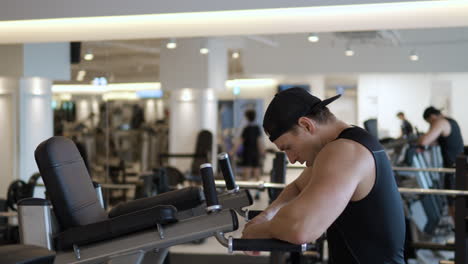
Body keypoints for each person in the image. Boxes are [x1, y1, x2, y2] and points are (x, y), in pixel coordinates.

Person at [242, 87, 405, 264]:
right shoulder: (349, 141)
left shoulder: (344, 151)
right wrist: (267, 215)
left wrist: (256, 232)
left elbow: (301, 228)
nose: (292, 159)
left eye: (288, 147)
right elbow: (298, 187)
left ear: (306, 125)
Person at [418, 106, 464, 218]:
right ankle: (460, 232)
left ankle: (460, 233)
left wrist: (420, 138)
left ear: (432, 117)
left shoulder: (440, 122)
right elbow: (438, 141)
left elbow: (424, 141)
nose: (430, 125)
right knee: (456, 204)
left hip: (453, 169)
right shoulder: (450, 121)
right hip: (458, 165)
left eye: (429, 122)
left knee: (454, 206)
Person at [231, 109, 264, 182]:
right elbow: (259, 142)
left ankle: (246, 190)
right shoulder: (257, 128)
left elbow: (240, 141)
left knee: (246, 175)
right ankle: (258, 192)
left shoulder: (246, 129)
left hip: (247, 153)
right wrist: (262, 152)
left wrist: (233, 151)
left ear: (246, 117)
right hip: (255, 153)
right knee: (257, 173)